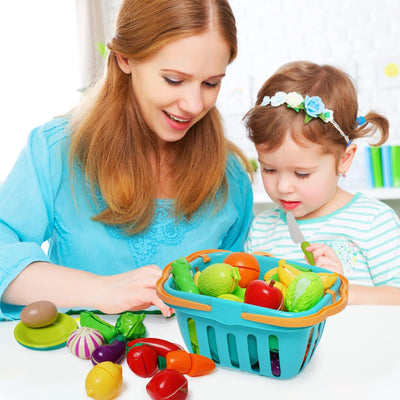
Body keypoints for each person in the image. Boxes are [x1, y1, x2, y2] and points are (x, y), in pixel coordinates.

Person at [0, 0, 254, 321]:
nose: (192, 104)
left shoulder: (230, 179)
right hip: (74, 366)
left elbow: (233, 300)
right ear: (125, 58)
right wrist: (102, 290)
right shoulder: (55, 150)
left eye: (211, 83)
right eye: (174, 80)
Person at [244, 61, 400, 304]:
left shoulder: (373, 222)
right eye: (269, 169)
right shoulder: (263, 229)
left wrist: (342, 290)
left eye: (302, 174)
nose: (283, 187)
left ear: (344, 160)